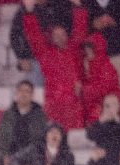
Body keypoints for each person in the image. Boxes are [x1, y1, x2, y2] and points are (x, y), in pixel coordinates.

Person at [22, 0, 87, 130]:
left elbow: (80, 29)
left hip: (73, 104)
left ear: (67, 35)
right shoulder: (46, 54)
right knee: (54, 136)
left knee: (75, 138)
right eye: (56, 35)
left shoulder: (74, 50)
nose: (60, 37)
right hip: (53, 105)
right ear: (51, 38)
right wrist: (29, 12)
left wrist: (78, 6)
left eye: (62, 34)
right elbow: (33, 36)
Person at [83, 0, 120, 86]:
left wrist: (115, 22)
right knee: (95, 94)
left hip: (117, 54)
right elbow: (78, 30)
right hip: (93, 58)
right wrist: (93, 24)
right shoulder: (87, 2)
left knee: (116, 94)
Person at [0, 80, 49, 165]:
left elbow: (40, 139)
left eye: (27, 91)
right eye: (21, 91)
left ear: (32, 95)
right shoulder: (8, 114)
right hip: (11, 155)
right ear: (16, 93)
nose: (24, 94)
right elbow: (2, 137)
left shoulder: (40, 115)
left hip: (32, 156)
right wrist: (5, 155)